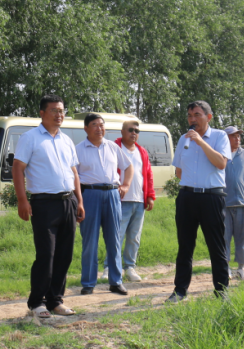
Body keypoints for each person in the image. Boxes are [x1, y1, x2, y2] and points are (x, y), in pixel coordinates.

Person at [12, 95, 85, 319]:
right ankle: (37, 302)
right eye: (54, 110)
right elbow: (17, 168)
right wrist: (22, 200)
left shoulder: (66, 140)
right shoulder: (30, 138)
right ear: (42, 113)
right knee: (46, 254)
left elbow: (74, 172)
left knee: (64, 255)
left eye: (61, 110)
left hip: (68, 202)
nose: (59, 114)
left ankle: (56, 300)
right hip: (44, 204)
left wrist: (79, 201)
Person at [166, 101, 232, 302]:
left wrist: (200, 141)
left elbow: (221, 163)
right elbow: (178, 171)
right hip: (187, 197)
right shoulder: (183, 139)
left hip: (211, 196)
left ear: (208, 117)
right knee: (185, 246)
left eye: (197, 114)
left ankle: (221, 291)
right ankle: (180, 291)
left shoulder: (220, 136)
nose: (192, 119)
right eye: (189, 115)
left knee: (216, 246)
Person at [76, 114, 133, 295]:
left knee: (114, 239)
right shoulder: (78, 149)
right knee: (90, 241)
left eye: (102, 125)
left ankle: (116, 281)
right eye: (94, 125)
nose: (99, 128)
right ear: (86, 128)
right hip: (89, 195)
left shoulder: (113, 147)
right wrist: (78, 201)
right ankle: (88, 283)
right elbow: (73, 176)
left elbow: (128, 166)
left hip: (112, 194)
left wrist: (125, 185)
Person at [114, 120, 156, 283]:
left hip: (139, 201)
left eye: (137, 131)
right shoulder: (115, 148)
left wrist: (150, 195)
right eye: (130, 130)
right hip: (120, 200)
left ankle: (130, 267)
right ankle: (111, 267)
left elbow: (148, 174)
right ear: (122, 131)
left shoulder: (142, 151)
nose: (134, 133)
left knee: (134, 237)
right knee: (117, 236)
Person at [222, 125, 244, 281]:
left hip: (242, 202)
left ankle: (242, 268)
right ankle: (225, 267)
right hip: (223, 204)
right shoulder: (219, 154)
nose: (237, 138)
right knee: (224, 238)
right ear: (226, 138)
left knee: (242, 238)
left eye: (238, 135)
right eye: (233, 136)